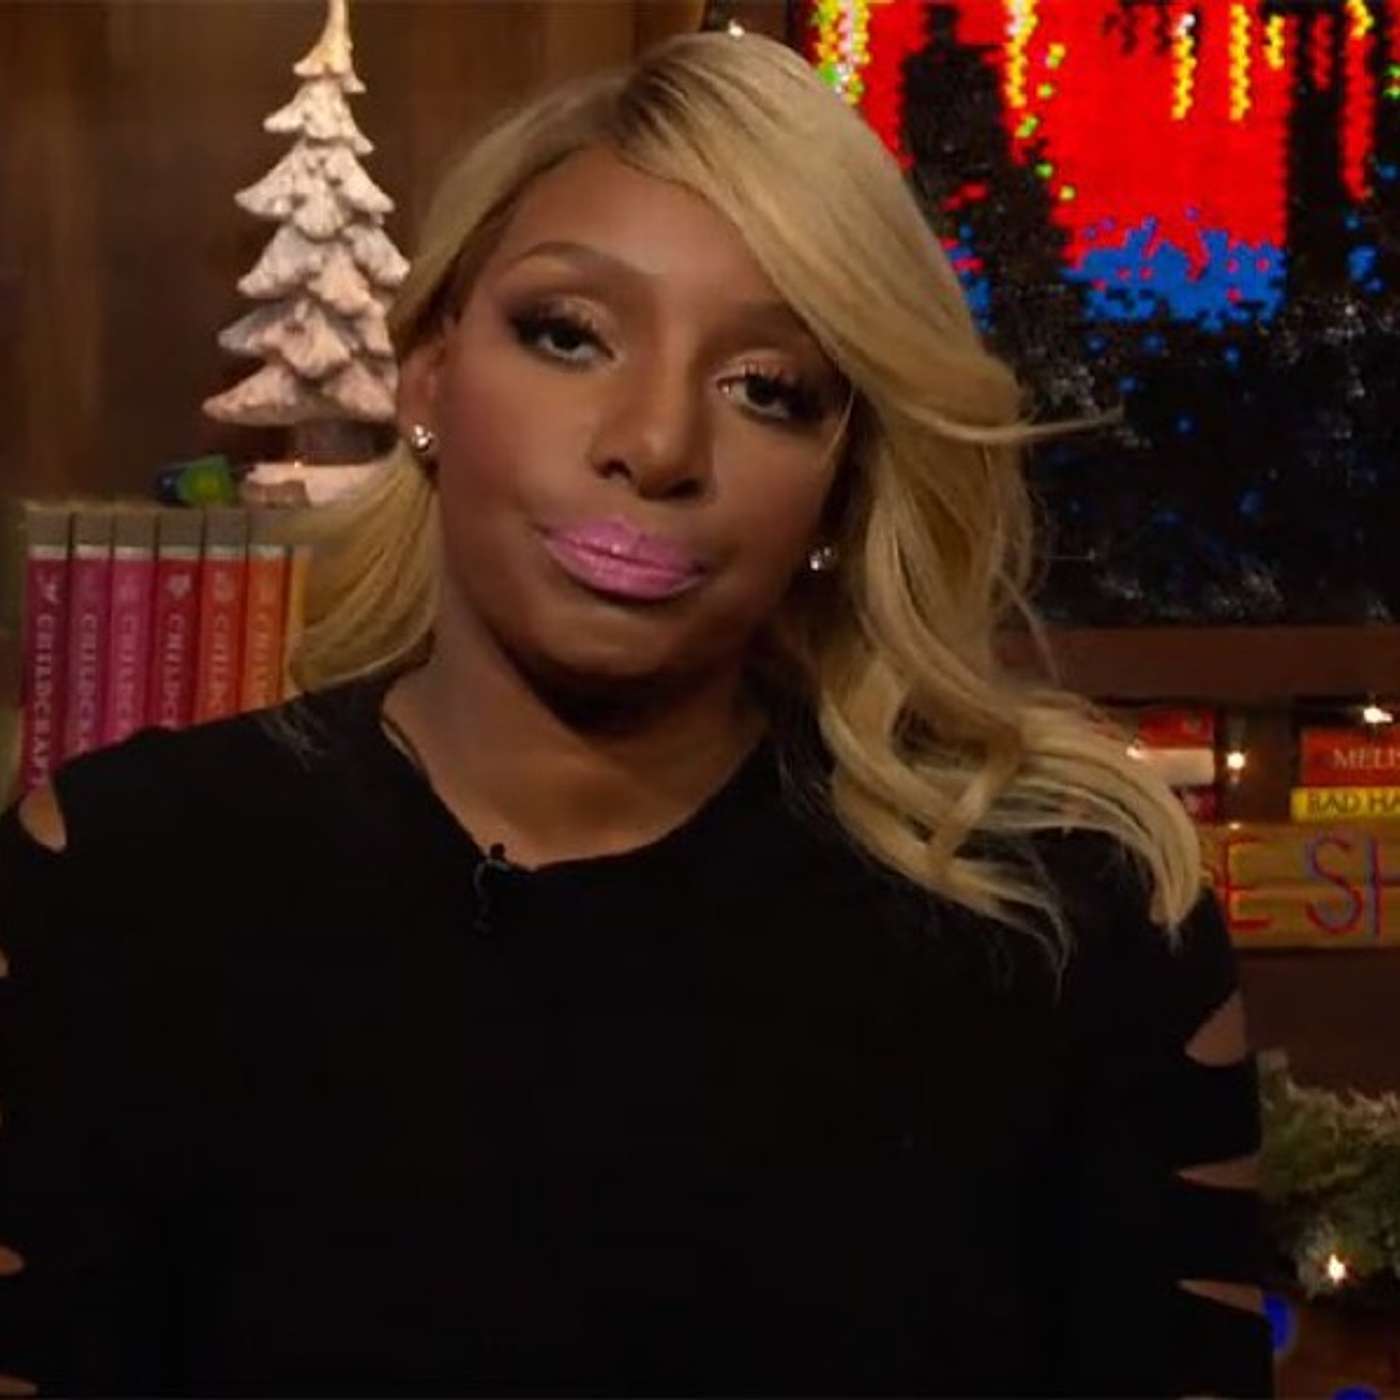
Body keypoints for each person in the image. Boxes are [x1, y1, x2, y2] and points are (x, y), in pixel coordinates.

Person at [0, 30, 1272, 1398]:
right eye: (570, 334)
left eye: (767, 390)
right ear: (427, 377)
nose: (657, 445)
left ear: (841, 484)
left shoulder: (1080, 930)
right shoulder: (116, 884)